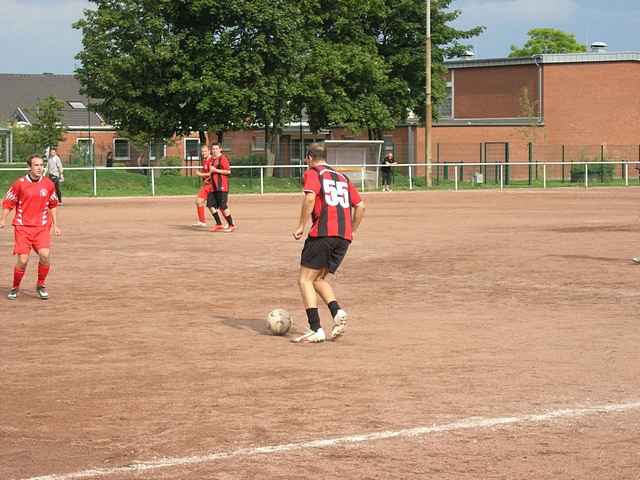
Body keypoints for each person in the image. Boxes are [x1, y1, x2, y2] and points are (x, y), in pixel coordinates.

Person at [291, 143, 365, 343]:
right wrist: (353, 230)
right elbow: (360, 206)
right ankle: (337, 312)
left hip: (323, 234)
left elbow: (309, 198)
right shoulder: (342, 177)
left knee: (304, 280)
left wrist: (300, 226)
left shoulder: (314, 172)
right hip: (343, 237)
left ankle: (316, 329)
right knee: (318, 280)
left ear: (309, 157)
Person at [1, 154, 61, 300]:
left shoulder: (48, 184)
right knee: (22, 260)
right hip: (23, 227)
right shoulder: (19, 184)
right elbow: (9, 203)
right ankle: (15, 287)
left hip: (41, 227)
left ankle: (40, 285)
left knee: (45, 255)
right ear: (29, 167)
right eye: (36, 165)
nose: (40, 168)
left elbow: (53, 205)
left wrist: (56, 225)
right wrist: (3, 219)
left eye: (41, 165)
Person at [207, 143, 236, 233]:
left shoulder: (223, 158)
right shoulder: (212, 159)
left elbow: (228, 171)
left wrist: (216, 170)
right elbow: (212, 172)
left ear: (220, 149)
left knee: (223, 206)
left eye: (216, 148)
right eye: (213, 149)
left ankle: (231, 225)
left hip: (222, 186)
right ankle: (219, 224)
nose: (214, 150)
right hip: (213, 187)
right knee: (210, 205)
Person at [193, 144, 213, 227]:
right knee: (199, 201)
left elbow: (212, 173)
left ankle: (228, 222)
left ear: (209, 151)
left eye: (205, 151)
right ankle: (202, 221)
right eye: (202, 151)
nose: (203, 153)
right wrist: (204, 178)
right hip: (207, 185)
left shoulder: (212, 160)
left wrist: (200, 174)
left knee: (215, 206)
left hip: (212, 185)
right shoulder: (205, 160)